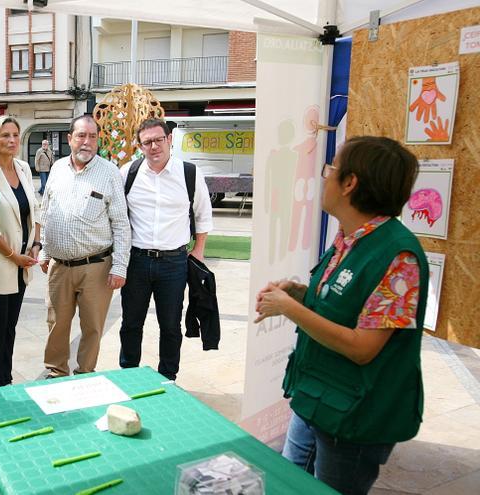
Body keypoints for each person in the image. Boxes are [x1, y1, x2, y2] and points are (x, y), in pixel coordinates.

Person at [255, 136, 429, 495]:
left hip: (355, 417)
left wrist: (291, 309)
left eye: (330, 169)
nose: (325, 177)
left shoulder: (400, 259)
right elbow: (347, 306)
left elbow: (363, 347)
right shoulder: (348, 239)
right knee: (290, 484)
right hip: (316, 398)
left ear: (350, 183)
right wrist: (301, 295)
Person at [118, 118, 213, 380]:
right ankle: (129, 375)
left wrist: (199, 249)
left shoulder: (190, 173)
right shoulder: (128, 173)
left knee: (170, 326)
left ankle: (168, 377)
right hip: (136, 261)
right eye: (147, 142)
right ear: (140, 146)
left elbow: (203, 214)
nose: (154, 146)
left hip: (174, 263)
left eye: (159, 140)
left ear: (169, 139)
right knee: (131, 324)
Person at [38, 115, 130, 378]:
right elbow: (46, 213)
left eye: (92, 136)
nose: (86, 142)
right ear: (69, 139)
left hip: (97, 268)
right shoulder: (56, 169)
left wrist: (120, 266)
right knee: (56, 324)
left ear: (98, 139)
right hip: (59, 267)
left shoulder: (109, 173)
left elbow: (122, 224)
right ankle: (56, 372)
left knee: (92, 327)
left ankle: (85, 374)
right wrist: (44, 250)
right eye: (81, 136)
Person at [0, 116, 40, 388]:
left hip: (23, 260)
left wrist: (36, 244)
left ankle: (6, 378)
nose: (12, 140)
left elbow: (35, 208)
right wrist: (13, 255)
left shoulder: (23, 168)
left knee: (10, 326)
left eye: (15, 135)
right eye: (5, 135)